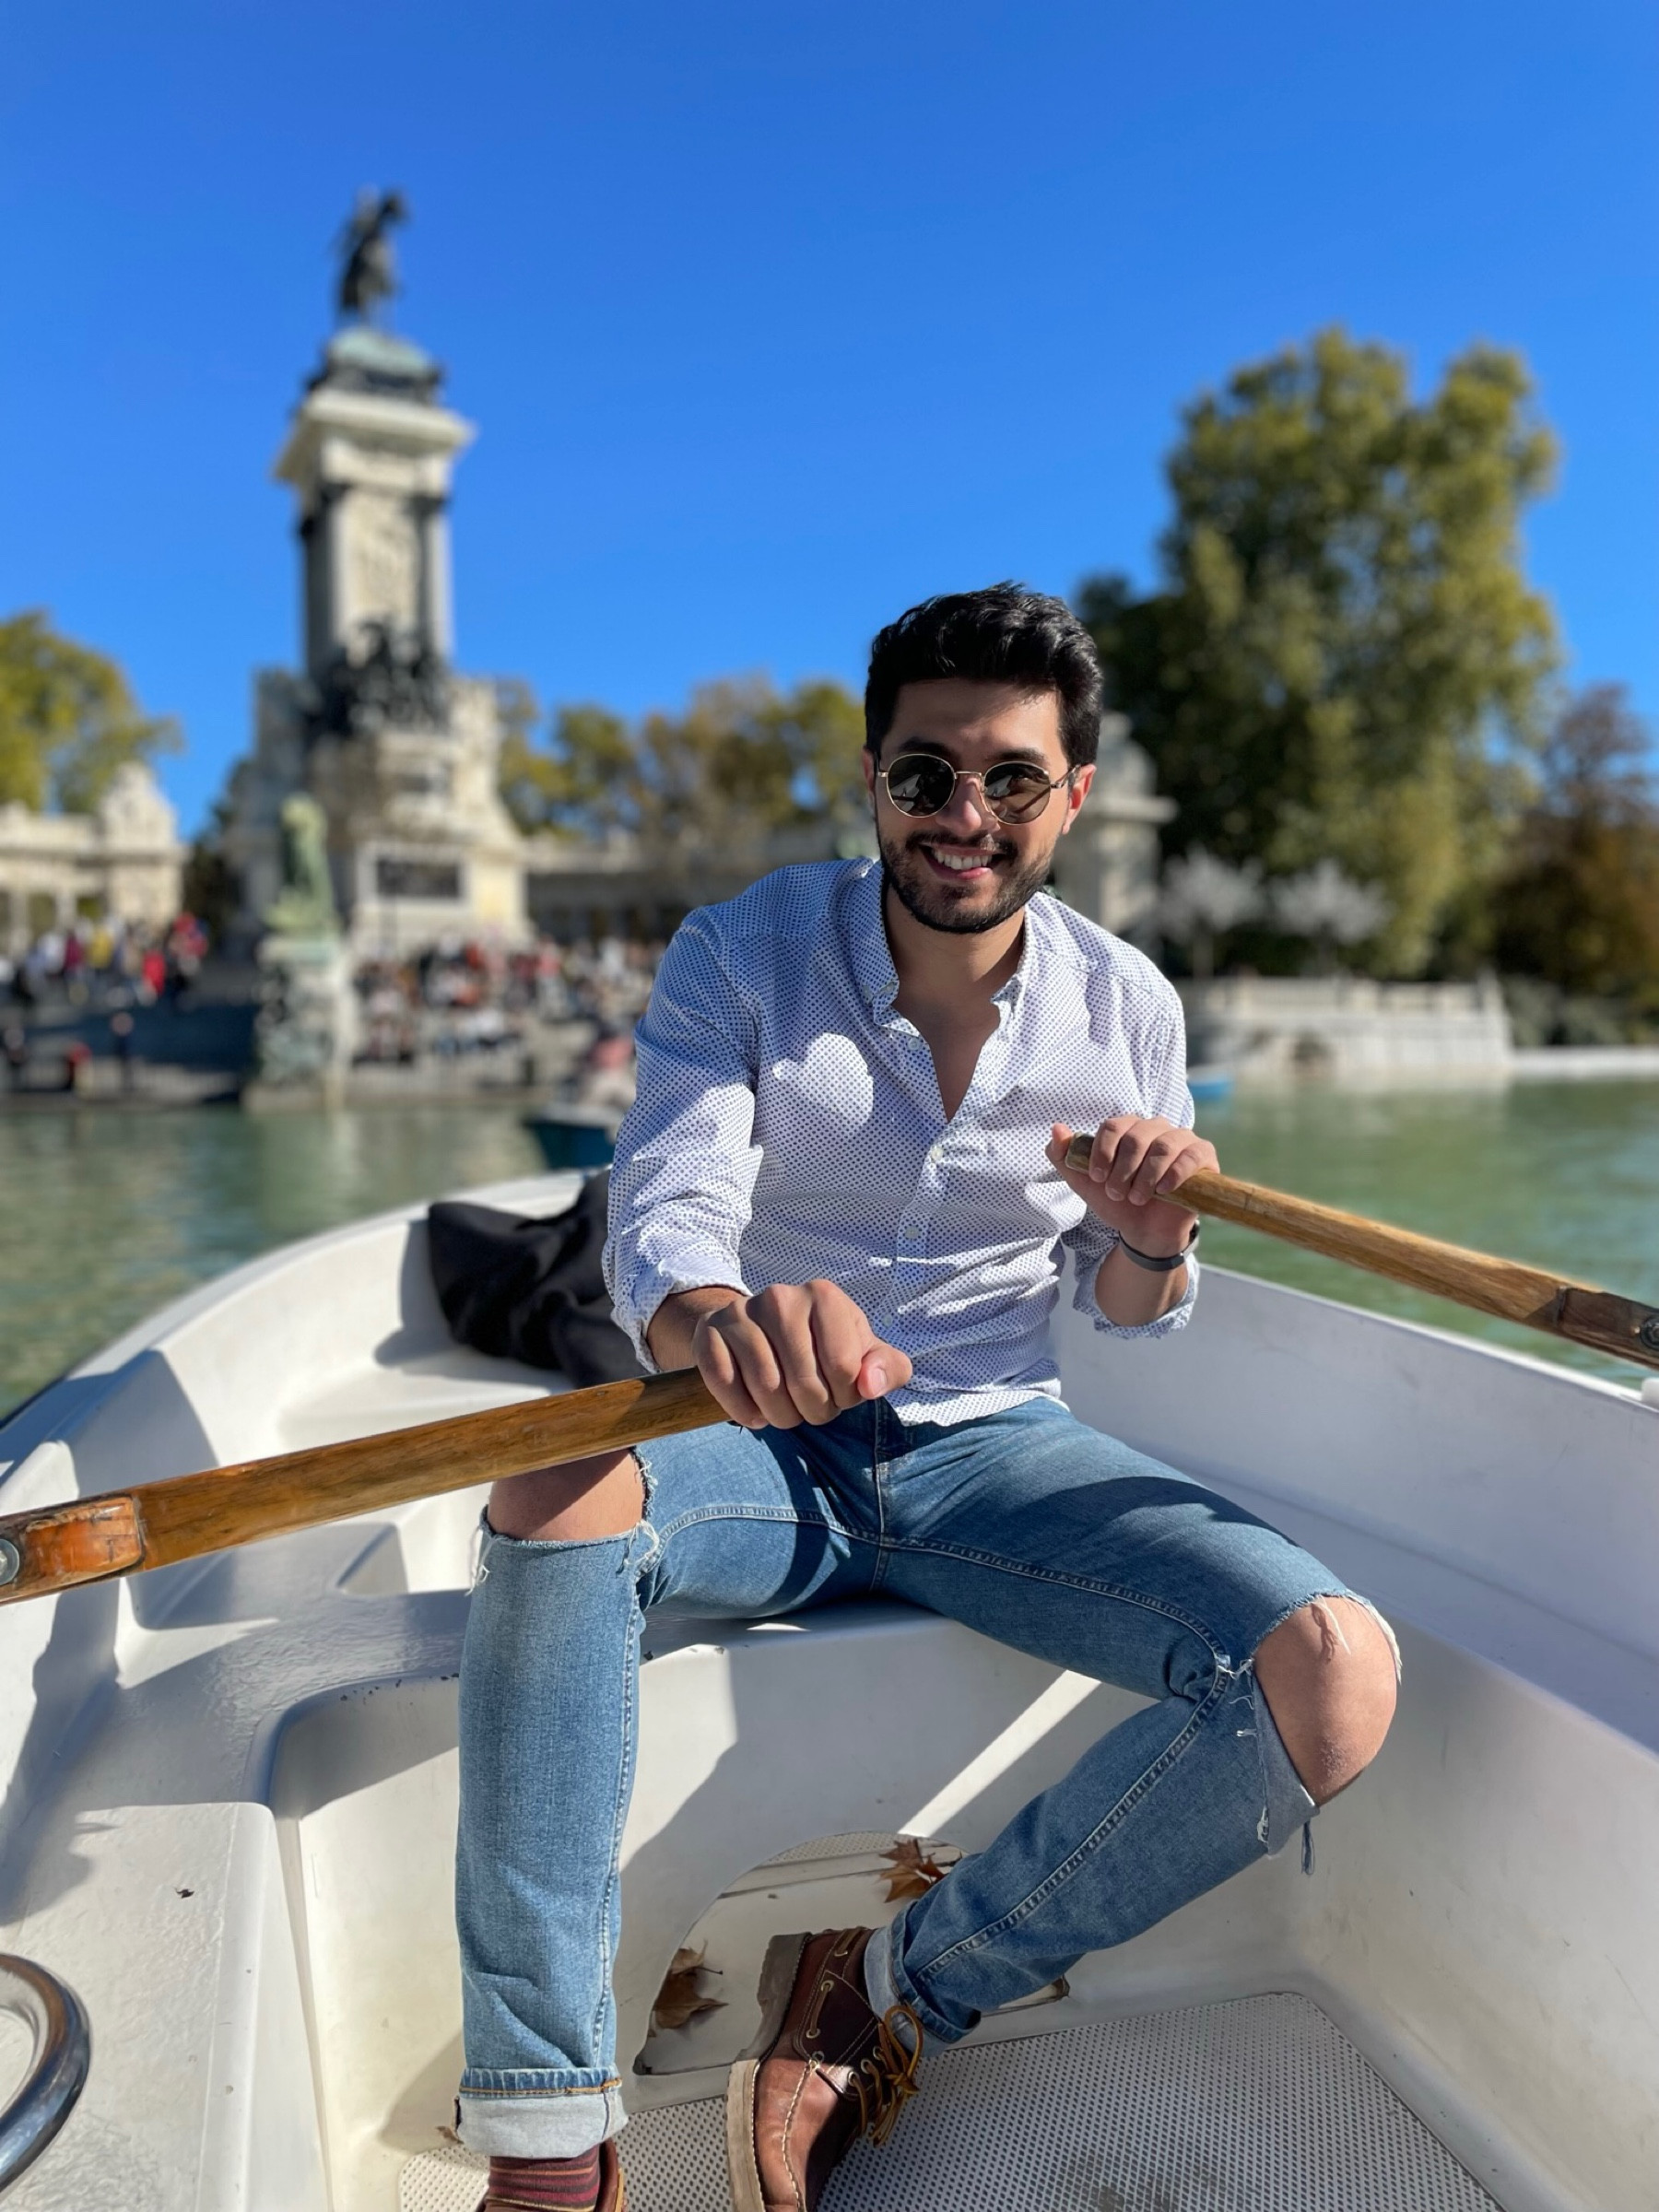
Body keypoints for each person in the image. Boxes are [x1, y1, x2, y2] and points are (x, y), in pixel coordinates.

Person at [455, 586, 1399, 2212]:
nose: (966, 815)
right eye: (925, 774)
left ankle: (891, 1993)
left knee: (1334, 1670)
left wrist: (1154, 1238)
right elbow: (668, 1209)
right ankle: (550, 2141)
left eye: (1012, 778)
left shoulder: (1130, 1010)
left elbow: (1129, 1309)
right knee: (554, 1492)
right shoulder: (741, 953)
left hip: (993, 1454)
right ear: (872, 779)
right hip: (757, 1438)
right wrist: (717, 1319)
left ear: (1072, 796)